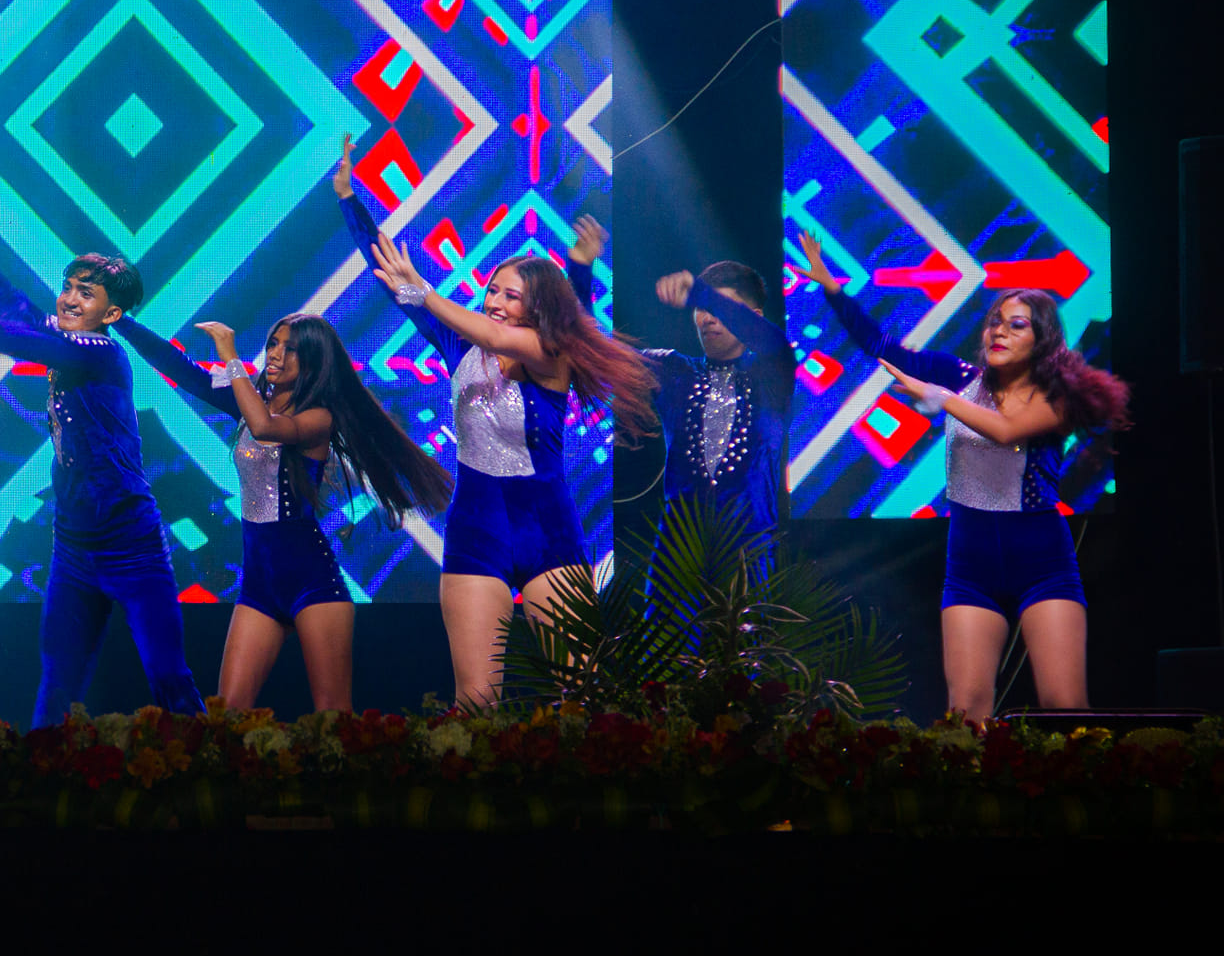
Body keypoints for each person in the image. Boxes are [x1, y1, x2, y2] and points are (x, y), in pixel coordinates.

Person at [0, 169, 205, 727]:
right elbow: (7, 305)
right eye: (69, 286)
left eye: (86, 293)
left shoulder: (99, 352)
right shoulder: (64, 336)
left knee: (168, 675)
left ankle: (214, 766)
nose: (70, 298)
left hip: (131, 544)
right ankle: (40, 773)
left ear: (112, 314)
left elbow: (6, 335)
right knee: (58, 682)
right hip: (75, 546)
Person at [335, 138, 658, 706]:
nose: (495, 301)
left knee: (581, 695)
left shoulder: (549, 354)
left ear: (538, 311)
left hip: (548, 530)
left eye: (512, 295)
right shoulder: (460, 345)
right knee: (477, 700)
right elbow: (389, 272)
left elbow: (508, 330)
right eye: (492, 289)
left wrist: (426, 289)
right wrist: (348, 200)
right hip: (476, 528)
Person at [798, 232, 1130, 720]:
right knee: (967, 712)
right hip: (970, 562)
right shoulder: (958, 378)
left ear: (1041, 341)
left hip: (1041, 559)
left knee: (1063, 705)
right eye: (995, 322)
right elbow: (880, 345)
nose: (999, 331)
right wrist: (832, 288)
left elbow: (1006, 430)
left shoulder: (1056, 397)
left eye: (1016, 326)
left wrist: (941, 399)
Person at [117, 310, 453, 711]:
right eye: (273, 344)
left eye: (289, 349)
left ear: (312, 362)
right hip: (259, 586)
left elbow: (264, 427)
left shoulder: (319, 418)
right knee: (228, 712)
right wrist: (122, 321)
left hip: (314, 583)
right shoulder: (250, 402)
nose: (275, 354)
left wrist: (231, 357)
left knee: (333, 717)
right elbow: (181, 370)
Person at [565, 227, 795, 580]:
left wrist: (701, 292)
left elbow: (772, 342)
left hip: (749, 557)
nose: (708, 317)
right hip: (676, 560)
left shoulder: (773, 371)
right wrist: (581, 269)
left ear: (754, 316)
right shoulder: (674, 370)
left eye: (720, 307)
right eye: (701, 308)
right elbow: (597, 351)